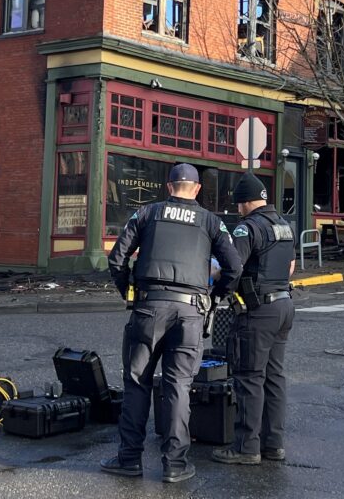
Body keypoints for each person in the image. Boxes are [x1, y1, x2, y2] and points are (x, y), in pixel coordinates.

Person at [101, 163, 242, 484]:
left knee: (137, 382)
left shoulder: (147, 214)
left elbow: (117, 259)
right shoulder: (211, 221)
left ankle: (129, 459)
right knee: (178, 386)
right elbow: (234, 266)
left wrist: (130, 293)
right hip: (191, 312)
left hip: (148, 308)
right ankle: (174, 465)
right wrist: (214, 298)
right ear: (196, 189)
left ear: (168, 187)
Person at [212, 171, 296, 467]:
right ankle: (273, 444)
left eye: (238, 204)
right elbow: (290, 268)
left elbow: (232, 267)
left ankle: (246, 447)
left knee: (249, 377)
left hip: (258, 311)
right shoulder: (284, 225)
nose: (237, 209)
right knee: (275, 377)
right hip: (284, 305)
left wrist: (218, 287)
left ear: (246, 202)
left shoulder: (248, 229)